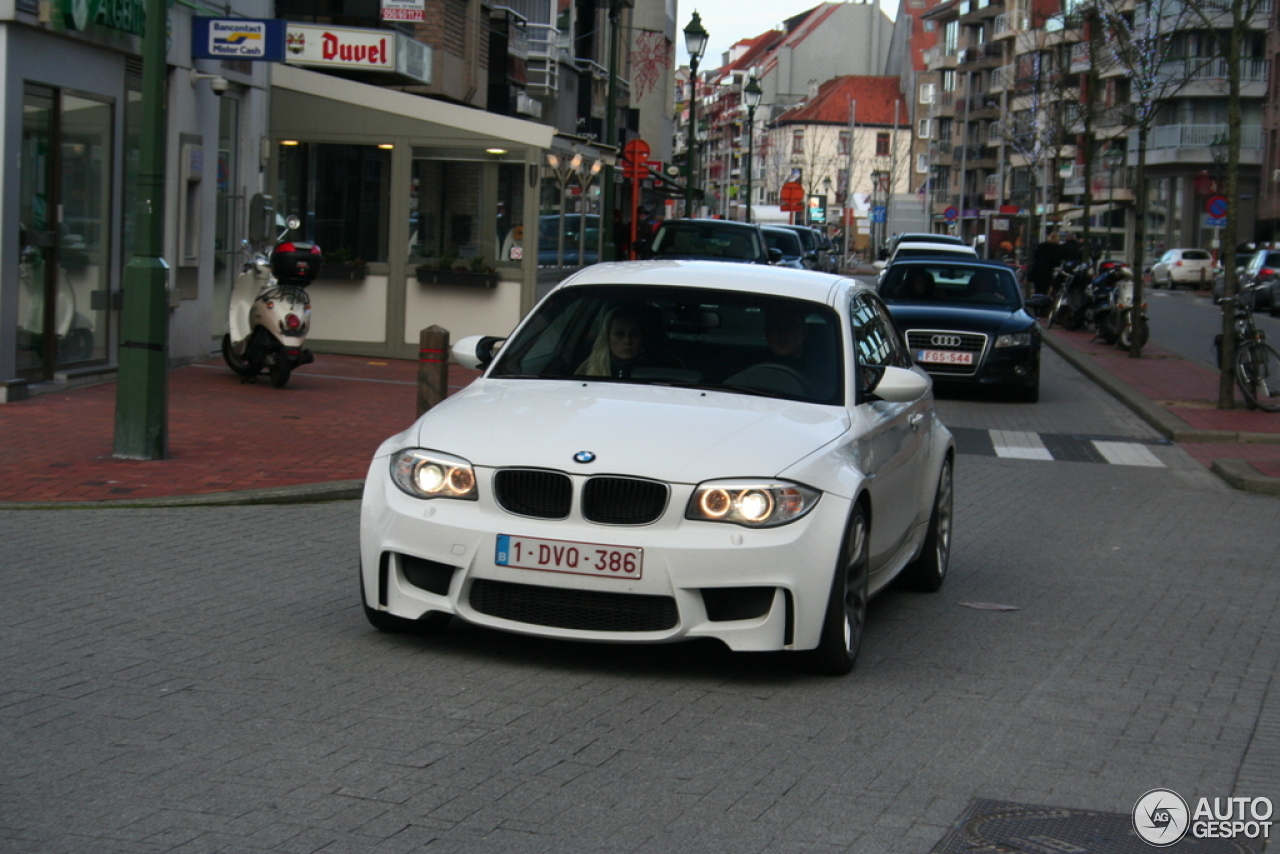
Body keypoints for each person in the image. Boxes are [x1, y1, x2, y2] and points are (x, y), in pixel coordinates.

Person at [576, 303, 673, 378]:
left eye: (634, 334)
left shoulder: (660, 371)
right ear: (607, 337)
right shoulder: (590, 367)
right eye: (619, 334)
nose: (627, 341)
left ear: (642, 337)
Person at [1028, 230, 1062, 296]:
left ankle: (1035, 302)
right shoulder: (1057, 248)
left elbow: (1035, 256)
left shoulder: (1041, 246)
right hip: (1047, 272)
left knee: (1037, 289)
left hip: (1037, 271)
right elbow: (1056, 262)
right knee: (1044, 291)